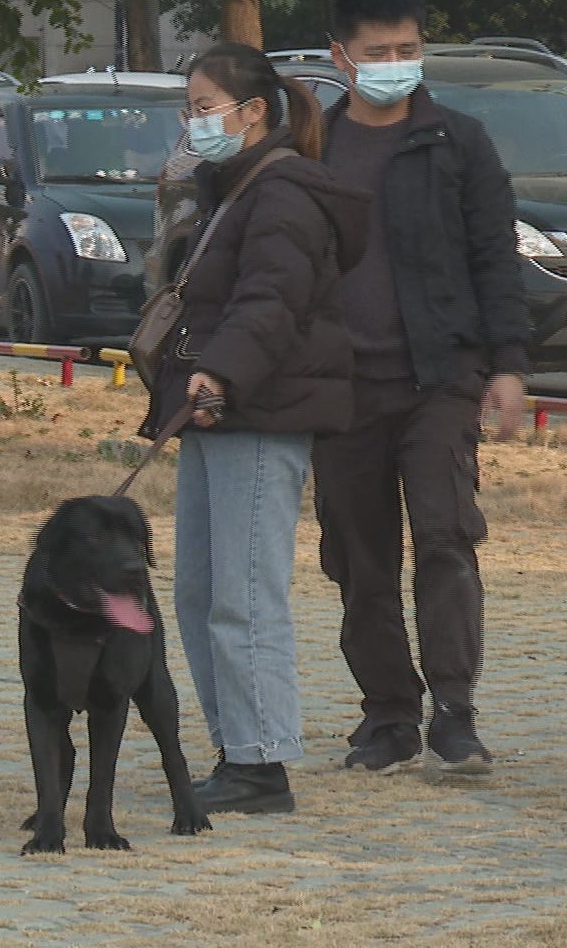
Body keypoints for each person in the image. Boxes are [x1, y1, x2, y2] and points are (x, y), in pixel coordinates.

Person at [141, 42, 369, 815]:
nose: (194, 122)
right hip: (214, 412)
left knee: (243, 593)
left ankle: (262, 759)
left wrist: (224, 371)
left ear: (253, 113)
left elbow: (271, 299)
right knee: (202, 590)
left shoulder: (285, 195)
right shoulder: (231, 187)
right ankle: (235, 744)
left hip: (261, 412)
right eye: (191, 108)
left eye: (205, 108)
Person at [312, 0, 528, 777]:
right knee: (359, 558)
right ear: (342, 57)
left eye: (408, 49)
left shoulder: (459, 142)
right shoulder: (315, 145)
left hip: (440, 378)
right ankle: (387, 716)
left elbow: (494, 259)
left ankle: (455, 713)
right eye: (378, 52)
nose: (396, 63)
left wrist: (506, 366)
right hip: (340, 390)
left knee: (445, 537)